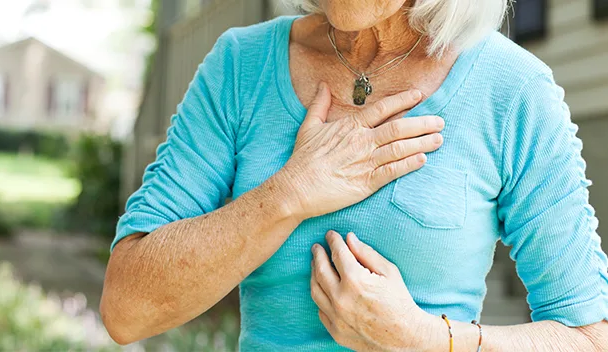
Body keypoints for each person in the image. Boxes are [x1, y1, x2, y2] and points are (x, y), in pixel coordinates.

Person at [100, 0, 608, 350]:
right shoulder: (240, 66)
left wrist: (429, 341)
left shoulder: (513, 90)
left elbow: (589, 337)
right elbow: (127, 309)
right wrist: (289, 192)